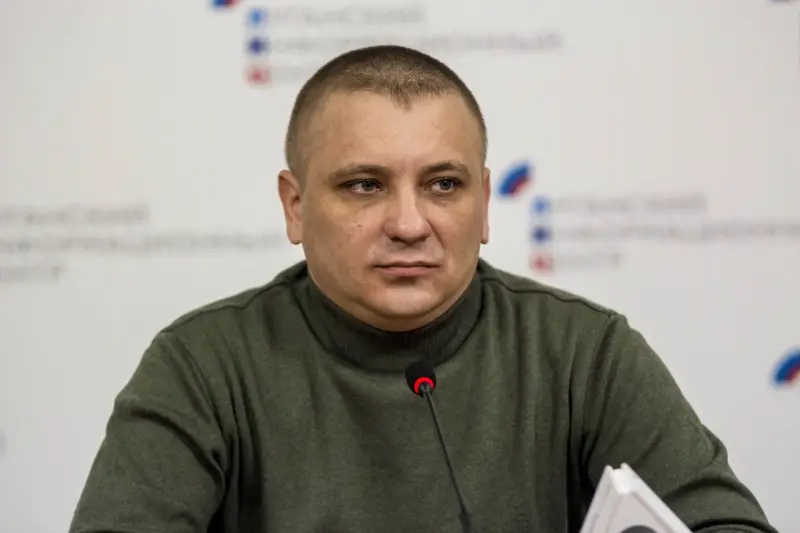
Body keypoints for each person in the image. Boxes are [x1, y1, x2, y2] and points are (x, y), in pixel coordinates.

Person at [69, 45, 778, 533]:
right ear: (295, 206)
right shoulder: (202, 364)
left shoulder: (584, 352)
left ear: (485, 203)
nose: (409, 224)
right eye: (364, 185)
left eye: (443, 184)